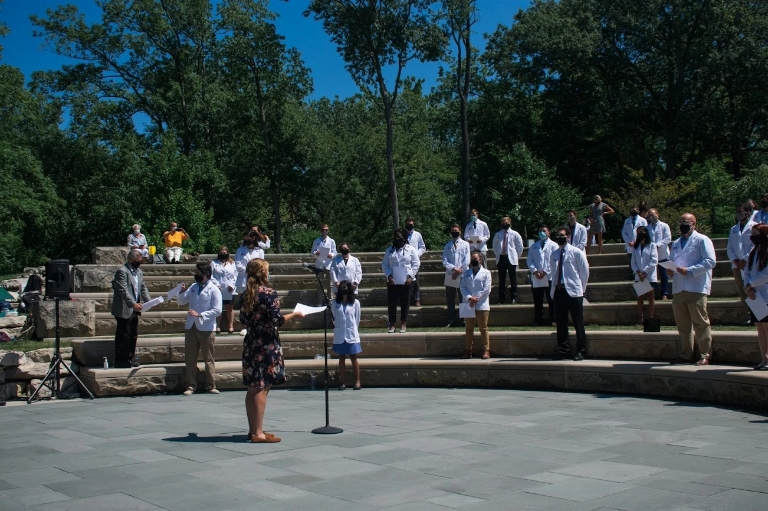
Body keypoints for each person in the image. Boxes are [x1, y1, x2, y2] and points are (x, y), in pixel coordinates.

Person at [240, 258, 303, 443]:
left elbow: (243, 320)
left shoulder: (245, 295)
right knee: (262, 387)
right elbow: (277, 321)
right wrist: (294, 314)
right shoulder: (269, 294)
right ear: (263, 273)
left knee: (253, 388)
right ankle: (258, 433)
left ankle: (253, 430)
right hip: (267, 344)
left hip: (251, 342)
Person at [667, 213, 717, 365]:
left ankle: (704, 354)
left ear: (694, 224)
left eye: (686, 222)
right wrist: (670, 270)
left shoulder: (702, 240)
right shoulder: (675, 243)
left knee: (700, 322)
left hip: (696, 286)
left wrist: (689, 270)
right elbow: (672, 261)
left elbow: (710, 261)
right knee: (683, 324)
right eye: (680, 221)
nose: (683, 224)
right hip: (679, 287)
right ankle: (685, 354)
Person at [178, 262, 222, 395]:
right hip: (191, 326)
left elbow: (218, 310)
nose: (195, 275)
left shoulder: (214, 289)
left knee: (208, 358)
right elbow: (181, 301)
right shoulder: (193, 287)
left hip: (206, 327)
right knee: (190, 358)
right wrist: (181, 292)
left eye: (198, 272)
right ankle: (191, 385)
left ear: (206, 274)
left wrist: (201, 315)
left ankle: (211, 385)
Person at [550, 227, 590, 360]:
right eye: (558, 235)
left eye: (562, 235)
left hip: (574, 292)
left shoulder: (576, 252)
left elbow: (584, 272)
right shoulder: (554, 254)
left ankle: (581, 350)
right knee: (561, 324)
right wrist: (553, 291)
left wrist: (581, 289)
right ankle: (563, 350)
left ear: (568, 236)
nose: (559, 237)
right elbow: (553, 274)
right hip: (559, 290)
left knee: (578, 322)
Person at [111, 249, 151, 368]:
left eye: (140, 261)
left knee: (133, 334)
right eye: (136, 261)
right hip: (124, 308)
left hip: (135, 309)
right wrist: (133, 304)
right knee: (124, 334)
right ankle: (121, 360)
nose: (138, 263)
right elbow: (123, 290)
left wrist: (149, 301)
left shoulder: (138, 272)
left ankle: (129, 358)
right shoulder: (122, 271)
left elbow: (142, 287)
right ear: (130, 260)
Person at [382, 228, 420, 333]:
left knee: (405, 302)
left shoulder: (411, 250)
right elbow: (385, 264)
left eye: (401, 237)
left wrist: (410, 277)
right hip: (392, 281)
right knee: (392, 303)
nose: (398, 239)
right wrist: (389, 276)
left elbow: (416, 264)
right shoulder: (389, 250)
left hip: (407, 281)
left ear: (405, 238)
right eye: (396, 237)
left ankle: (403, 323)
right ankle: (392, 324)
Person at [743, 223, 768, 370]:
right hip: (755, 295)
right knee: (760, 327)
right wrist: (748, 287)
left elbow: (766, 273)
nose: (753, 237)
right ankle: (764, 358)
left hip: (765, 293)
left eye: (756, 234)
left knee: (767, 326)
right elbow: (747, 271)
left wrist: (751, 284)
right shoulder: (754, 251)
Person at [727, 203, 757, 322]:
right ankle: (748, 315)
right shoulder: (733, 229)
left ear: (748, 212)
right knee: (742, 290)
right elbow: (730, 247)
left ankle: (757, 314)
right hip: (736, 265)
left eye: (741, 211)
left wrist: (745, 260)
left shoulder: (754, 227)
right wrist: (735, 260)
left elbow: (755, 245)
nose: (739, 213)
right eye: (737, 211)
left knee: (753, 288)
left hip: (750, 264)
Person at [460, 250, 492, 359]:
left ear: (480, 260)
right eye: (472, 260)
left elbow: (487, 289)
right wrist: (469, 298)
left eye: (475, 259)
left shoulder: (486, 273)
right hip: (468, 303)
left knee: (483, 328)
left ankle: (486, 350)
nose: (473, 261)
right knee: (469, 328)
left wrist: (476, 299)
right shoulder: (466, 273)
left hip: (481, 303)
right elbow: (462, 287)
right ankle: (468, 350)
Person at [332, 280, 362, 390]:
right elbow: (334, 318)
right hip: (340, 333)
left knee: (353, 357)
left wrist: (353, 328)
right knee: (342, 357)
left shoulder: (355, 303)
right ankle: (343, 382)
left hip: (351, 333)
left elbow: (357, 319)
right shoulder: (335, 303)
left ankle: (357, 381)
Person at [528, 225, 558, 327]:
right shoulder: (534, 246)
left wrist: (545, 271)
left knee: (552, 300)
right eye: (540, 231)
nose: (542, 233)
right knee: (538, 300)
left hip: (549, 276)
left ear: (549, 232)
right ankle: (538, 320)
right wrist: (535, 271)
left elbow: (554, 260)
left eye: (544, 231)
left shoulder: (554, 245)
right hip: (537, 277)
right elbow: (529, 260)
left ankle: (553, 320)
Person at [442, 223, 471, 327]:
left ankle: (465, 320)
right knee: (450, 299)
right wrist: (454, 269)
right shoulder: (447, 245)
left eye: (456, 230)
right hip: (450, 274)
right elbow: (444, 261)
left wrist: (459, 271)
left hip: (463, 274)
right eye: (453, 231)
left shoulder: (465, 244)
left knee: (464, 297)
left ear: (460, 231)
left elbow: (467, 260)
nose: (455, 232)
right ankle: (451, 320)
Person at [492, 216, 524, 304]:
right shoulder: (498, 234)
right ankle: (501, 298)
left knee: (513, 279)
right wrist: (498, 254)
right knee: (501, 279)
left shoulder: (515, 234)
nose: (505, 224)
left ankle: (513, 297)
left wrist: (516, 256)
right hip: (501, 258)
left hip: (511, 258)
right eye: (503, 223)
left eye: (506, 223)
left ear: (510, 223)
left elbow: (520, 246)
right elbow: (494, 246)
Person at [631, 226, 658, 325]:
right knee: (640, 297)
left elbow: (654, 260)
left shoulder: (652, 245)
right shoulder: (636, 247)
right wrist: (638, 272)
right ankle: (640, 318)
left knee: (650, 296)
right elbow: (633, 262)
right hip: (639, 276)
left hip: (649, 275)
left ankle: (651, 317)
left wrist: (645, 272)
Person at [647, 208, 672, 300]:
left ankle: (664, 293)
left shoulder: (664, 226)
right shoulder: (647, 228)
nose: (652, 217)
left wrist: (657, 245)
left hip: (662, 254)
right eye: (650, 215)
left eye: (654, 214)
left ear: (658, 214)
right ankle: (650, 294)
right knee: (650, 275)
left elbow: (668, 238)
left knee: (663, 275)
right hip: (651, 255)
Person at [211, 246, 237, 334]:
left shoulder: (232, 263)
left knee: (229, 307)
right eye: (222, 253)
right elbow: (211, 275)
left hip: (229, 288)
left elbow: (235, 275)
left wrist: (232, 285)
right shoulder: (214, 263)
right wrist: (216, 285)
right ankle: (217, 326)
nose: (223, 254)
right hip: (218, 288)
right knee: (218, 307)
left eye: (225, 253)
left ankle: (231, 326)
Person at [311, 224, 337, 304]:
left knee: (330, 284)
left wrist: (331, 255)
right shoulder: (316, 241)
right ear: (320, 231)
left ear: (328, 231)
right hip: (319, 264)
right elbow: (312, 252)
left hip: (329, 264)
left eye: (326, 230)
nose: (324, 231)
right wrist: (316, 253)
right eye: (323, 230)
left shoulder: (331, 241)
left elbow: (335, 252)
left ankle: (330, 300)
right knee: (320, 284)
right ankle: (319, 301)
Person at [405, 217, 427, 307]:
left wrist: (416, 254)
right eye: (409, 224)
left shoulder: (417, 235)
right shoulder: (402, 234)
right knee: (405, 281)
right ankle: (406, 300)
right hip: (405, 261)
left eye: (412, 224)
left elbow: (422, 247)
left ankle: (417, 299)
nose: (411, 225)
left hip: (414, 262)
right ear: (405, 223)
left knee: (416, 281)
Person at [622, 206, 648, 278]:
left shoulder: (643, 220)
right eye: (632, 209)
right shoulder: (627, 221)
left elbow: (645, 233)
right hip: (629, 245)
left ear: (638, 211)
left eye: (636, 209)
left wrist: (636, 242)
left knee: (639, 261)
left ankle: (640, 276)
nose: (634, 210)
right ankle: (631, 276)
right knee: (631, 262)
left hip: (639, 244)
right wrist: (628, 241)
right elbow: (624, 232)